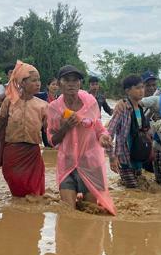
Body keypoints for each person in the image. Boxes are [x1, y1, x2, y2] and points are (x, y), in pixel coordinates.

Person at [47, 65, 116, 215]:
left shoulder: (91, 103)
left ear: (80, 84)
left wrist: (104, 137)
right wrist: (65, 127)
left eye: (75, 80)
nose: (71, 84)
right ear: (59, 84)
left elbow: (99, 128)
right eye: (67, 80)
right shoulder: (54, 108)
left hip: (90, 163)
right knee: (68, 212)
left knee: (89, 211)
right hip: (67, 164)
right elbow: (51, 140)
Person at [0, 61, 48, 197]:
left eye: (39, 80)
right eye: (33, 80)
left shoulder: (43, 106)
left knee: (35, 194)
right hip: (12, 152)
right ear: (22, 83)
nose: (38, 84)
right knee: (16, 191)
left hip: (33, 154)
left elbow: (50, 132)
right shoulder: (9, 101)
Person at [107, 75, 152, 188]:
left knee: (139, 189)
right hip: (124, 157)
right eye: (137, 88)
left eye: (142, 87)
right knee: (134, 190)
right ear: (127, 90)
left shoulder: (141, 108)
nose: (142, 90)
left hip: (138, 155)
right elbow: (109, 134)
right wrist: (112, 158)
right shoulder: (122, 109)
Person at [35, 77, 59, 147]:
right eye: (53, 84)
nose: (55, 86)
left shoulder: (59, 98)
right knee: (48, 145)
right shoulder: (41, 96)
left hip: (56, 127)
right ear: (48, 86)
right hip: (44, 126)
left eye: (57, 85)